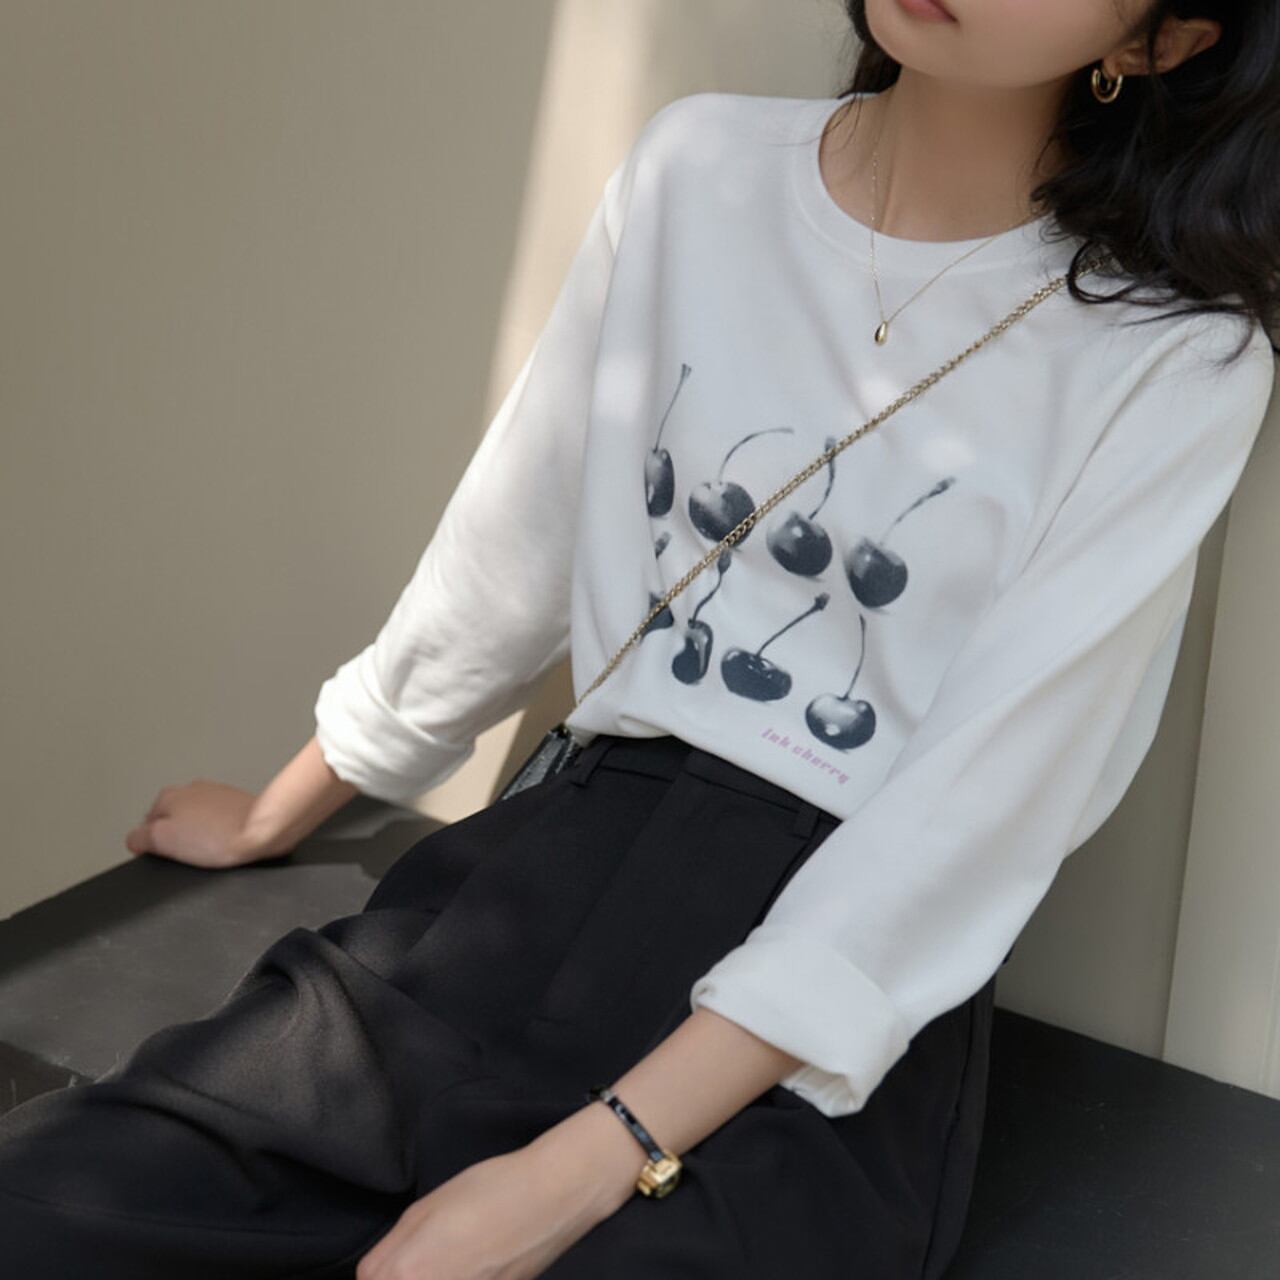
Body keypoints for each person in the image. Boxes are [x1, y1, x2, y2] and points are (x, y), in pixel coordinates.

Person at [3, 1, 1277, 1276]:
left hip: (807, 1003)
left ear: (1158, 39)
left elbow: (978, 812)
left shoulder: (1174, 355)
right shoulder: (700, 170)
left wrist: (578, 1166)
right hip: (530, 884)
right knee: (49, 1206)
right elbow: (515, 538)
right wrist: (295, 796)